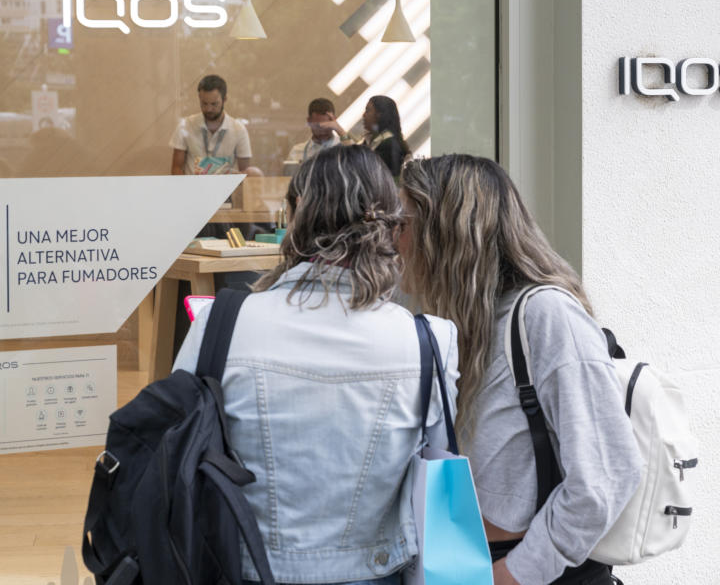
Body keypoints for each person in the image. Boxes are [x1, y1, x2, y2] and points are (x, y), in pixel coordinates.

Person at [172, 144, 460, 585]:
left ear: (296, 213)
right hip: (375, 572)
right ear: (386, 224)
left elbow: (177, 455)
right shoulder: (429, 340)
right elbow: (439, 469)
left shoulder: (220, 324)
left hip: (239, 566)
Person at [398, 155, 643, 585]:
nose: (392, 240)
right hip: (466, 564)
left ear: (444, 234)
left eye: (403, 223)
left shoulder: (545, 315)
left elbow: (606, 475)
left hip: (523, 571)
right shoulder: (463, 323)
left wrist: (511, 576)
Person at [170, 74, 261, 176]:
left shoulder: (238, 130)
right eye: (204, 103)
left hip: (226, 190)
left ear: (224, 99)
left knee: (254, 173)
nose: (209, 109)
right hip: (193, 190)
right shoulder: (186, 126)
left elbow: (244, 173)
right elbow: (176, 168)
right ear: (199, 98)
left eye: (214, 104)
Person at [314, 95, 410, 177]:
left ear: (379, 115)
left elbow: (360, 164)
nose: (363, 115)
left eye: (368, 111)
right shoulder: (375, 140)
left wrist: (339, 130)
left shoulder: (389, 144)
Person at [285, 97, 340, 165]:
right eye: (317, 126)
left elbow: (355, 156)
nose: (322, 131)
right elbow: (289, 175)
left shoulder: (344, 147)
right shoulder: (297, 152)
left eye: (326, 126)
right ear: (309, 121)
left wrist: (339, 129)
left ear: (334, 122)